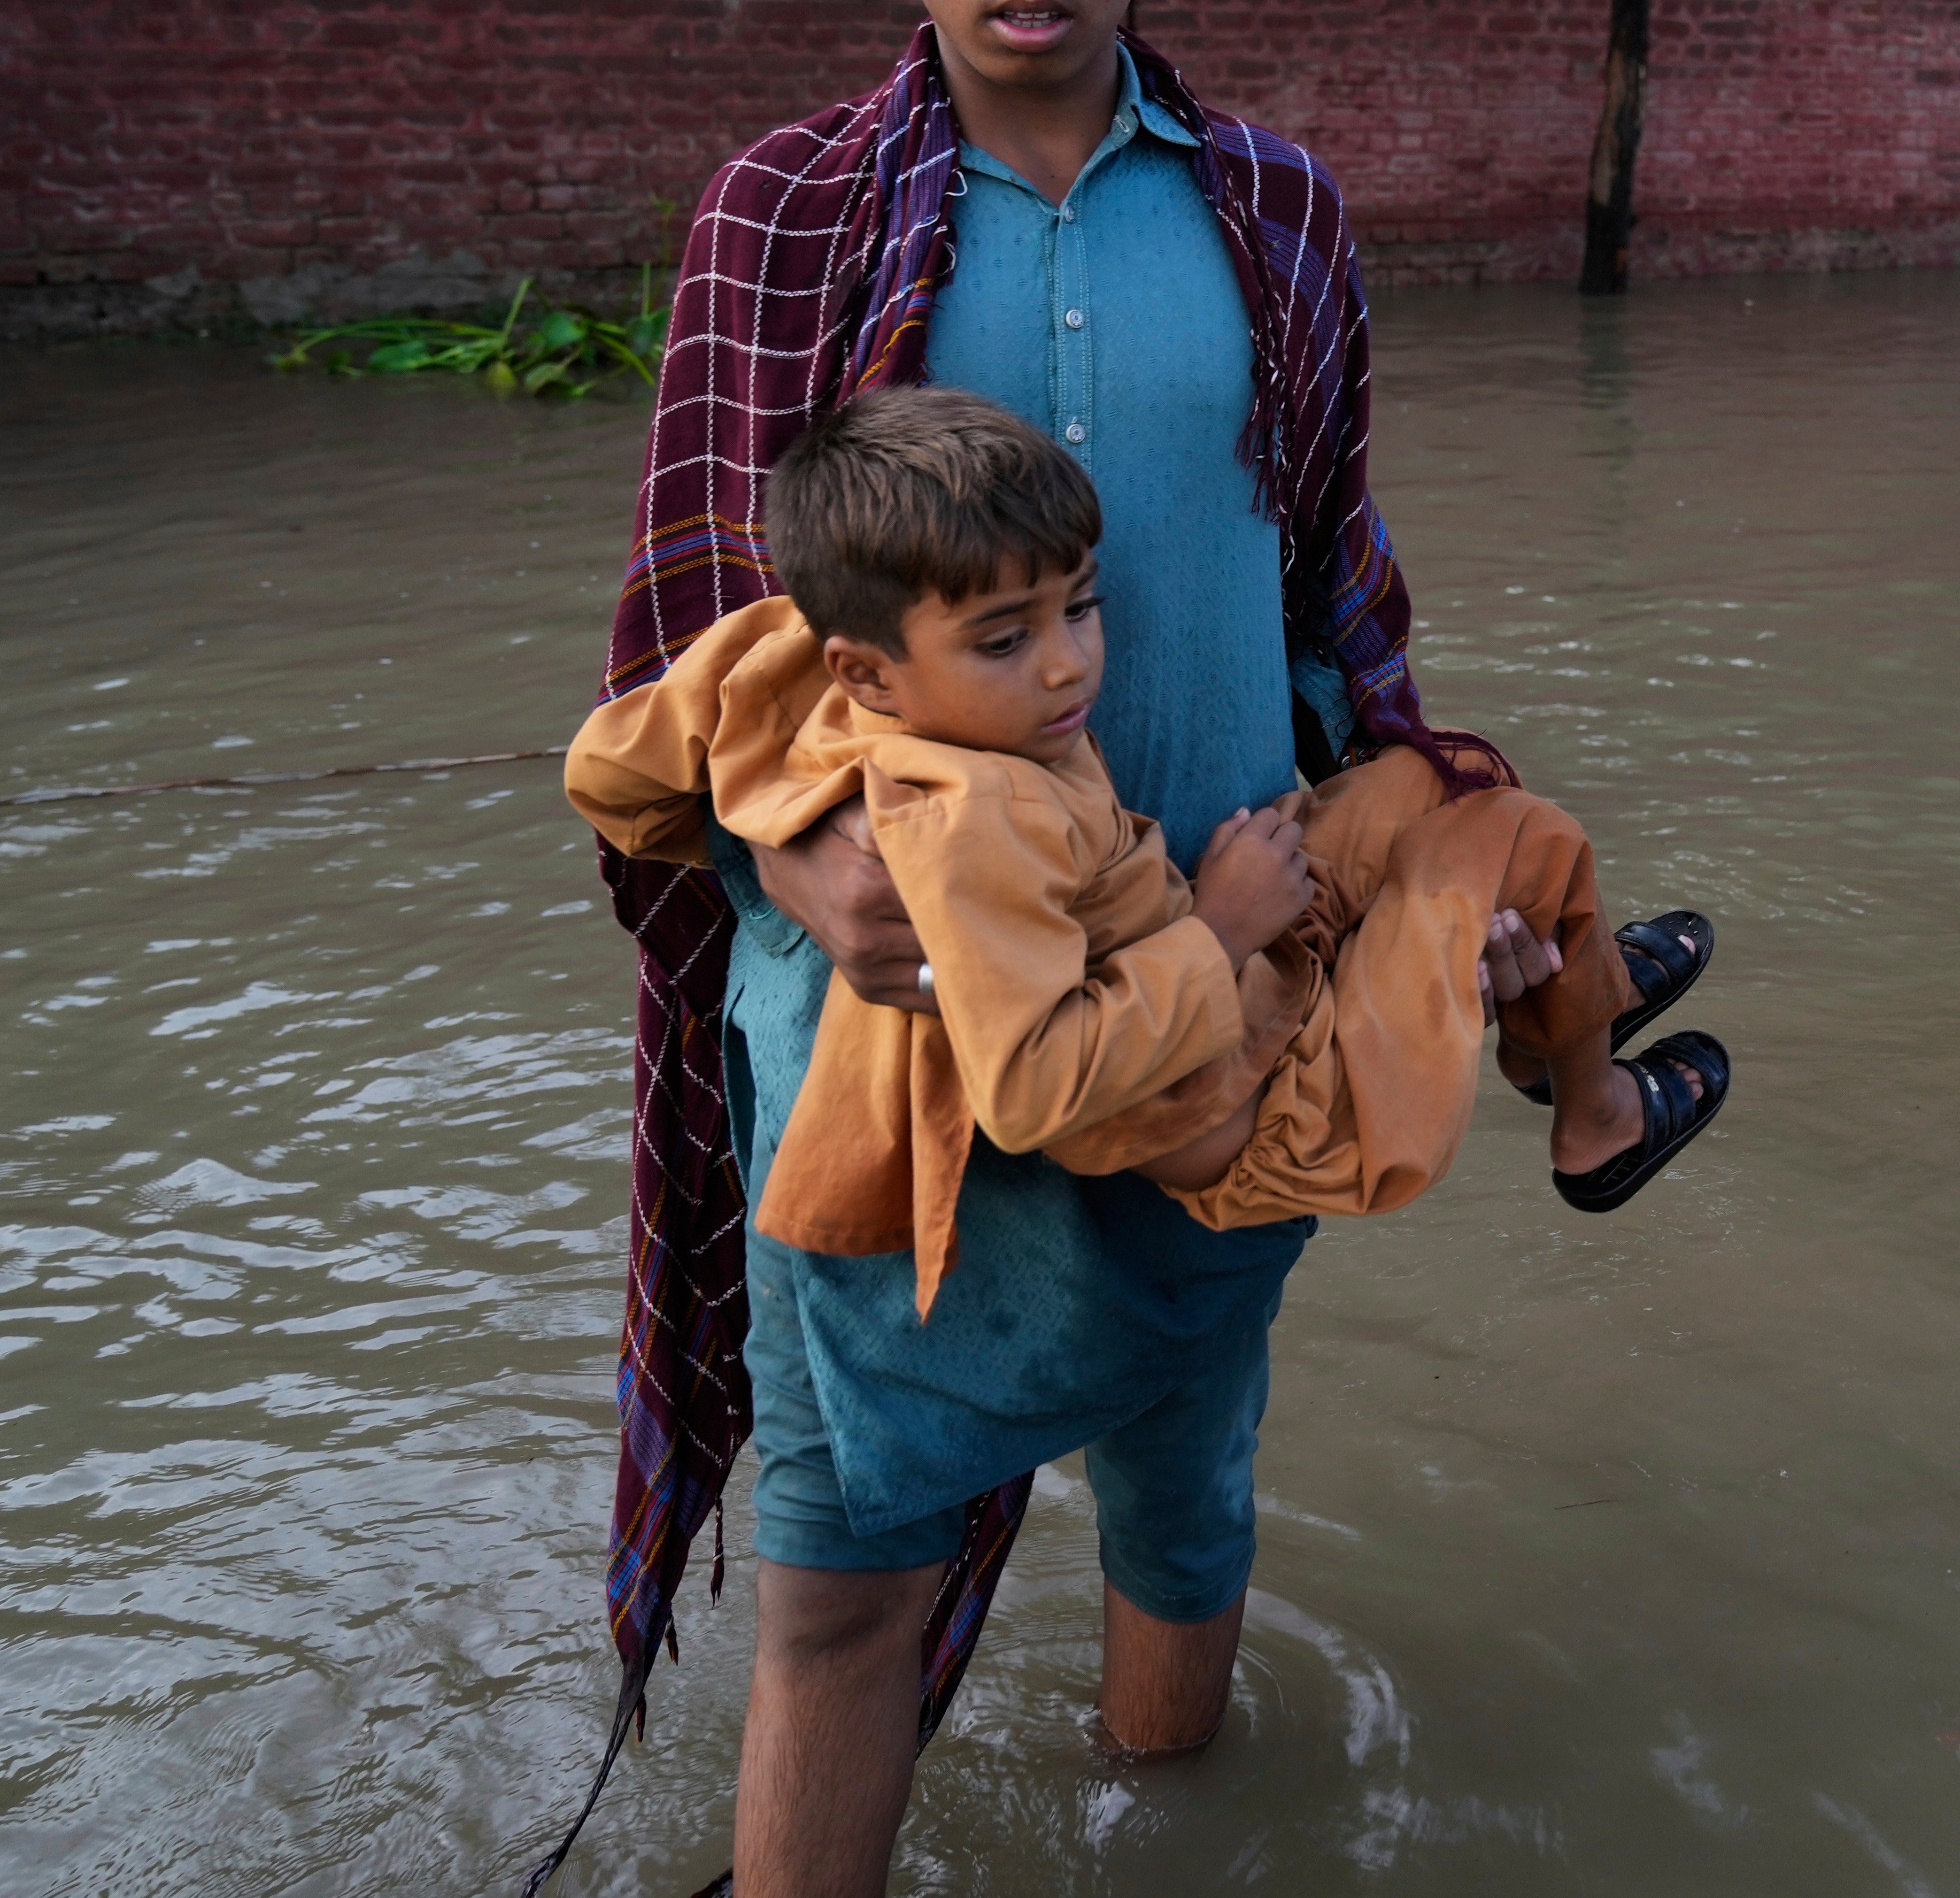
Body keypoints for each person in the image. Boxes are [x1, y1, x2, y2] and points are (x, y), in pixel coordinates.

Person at [553, 0, 1719, 1898]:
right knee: (842, 1577)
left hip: (1230, 987)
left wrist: (1414, 895)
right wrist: (793, 863)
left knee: (1189, 1491)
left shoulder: (1271, 210)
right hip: (886, 1042)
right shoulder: (777, 218)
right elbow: (693, 649)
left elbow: (1334, 615)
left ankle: (1174, 1820)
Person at [565, 388, 1721, 1309]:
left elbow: (621, 750)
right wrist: (1221, 928)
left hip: (1229, 965)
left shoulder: (873, 698)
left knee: (1436, 775)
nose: (1069, 663)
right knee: (1527, 835)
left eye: (1082, 605)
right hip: (1259, 1104)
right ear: (865, 667)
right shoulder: (970, 818)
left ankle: (1563, 1015)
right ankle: (1591, 1111)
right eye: (1007, 638)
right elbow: (1028, 1093)